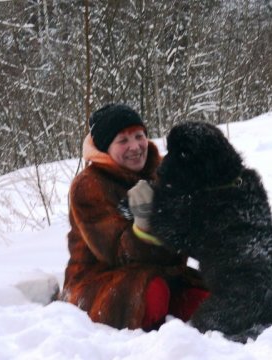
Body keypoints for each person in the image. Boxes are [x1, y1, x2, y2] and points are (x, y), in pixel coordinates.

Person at [60, 103, 209, 331]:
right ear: (105, 148)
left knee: (211, 298)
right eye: (123, 141)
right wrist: (145, 224)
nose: (135, 147)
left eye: (139, 136)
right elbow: (118, 253)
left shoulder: (160, 172)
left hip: (162, 274)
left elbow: (184, 243)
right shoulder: (89, 185)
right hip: (98, 282)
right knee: (152, 294)